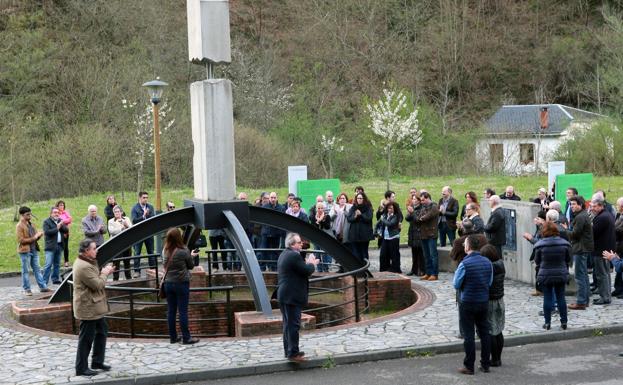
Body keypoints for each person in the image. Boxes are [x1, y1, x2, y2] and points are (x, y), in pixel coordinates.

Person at [73, 238, 115, 376]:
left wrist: (103, 271)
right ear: (86, 251)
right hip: (88, 307)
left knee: (102, 331)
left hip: (94, 306)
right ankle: (81, 368)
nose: (96, 250)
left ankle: (97, 361)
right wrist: (105, 272)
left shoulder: (87, 262)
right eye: (93, 248)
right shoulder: (83, 266)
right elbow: (97, 284)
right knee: (86, 338)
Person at [453, 234, 493, 375]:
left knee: (469, 335)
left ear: (468, 246)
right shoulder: (487, 262)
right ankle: (485, 364)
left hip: (468, 301)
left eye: (465, 244)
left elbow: (456, 283)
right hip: (483, 301)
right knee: (484, 333)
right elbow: (489, 282)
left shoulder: (464, 263)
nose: (464, 246)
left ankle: (469, 366)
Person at [277, 232, 319, 362]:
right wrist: (312, 264)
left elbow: (299, 270)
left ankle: (289, 351)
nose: (302, 244)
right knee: (293, 325)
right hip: (291, 295)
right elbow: (307, 271)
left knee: (288, 325)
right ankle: (293, 353)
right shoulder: (294, 256)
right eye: (299, 242)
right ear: (292, 244)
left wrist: (306, 264)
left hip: (285, 294)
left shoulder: (285, 254)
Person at [162, 228, 200, 345]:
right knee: (183, 311)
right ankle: (186, 338)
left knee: (171, 311)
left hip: (168, 283)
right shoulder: (183, 250)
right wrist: (191, 256)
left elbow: (165, 264)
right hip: (181, 283)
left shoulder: (165, 250)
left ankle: (173, 337)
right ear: (179, 237)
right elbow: (190, 266)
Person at [533, 222, 571, 330]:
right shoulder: (565, 244)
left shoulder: (540, 245)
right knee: (561, 298)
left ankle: (547, 323)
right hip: (560, 273)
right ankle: (564, 322)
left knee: (547, 298)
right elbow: (568, 259)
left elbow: (537, 260)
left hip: (546, 274)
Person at [480, 244, 505, 367]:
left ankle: (494, 359)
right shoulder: (500, 264)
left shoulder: (489, 267)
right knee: (498, 330)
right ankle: (498, 358)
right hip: (500, 300)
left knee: (491, 332)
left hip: (490, 301)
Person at [567, 195, 594, 310]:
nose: (572, 206)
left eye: (574, 204)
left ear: (580, 205)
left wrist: (565, 230)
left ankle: (581, 302)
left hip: (580, 249)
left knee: (579, 276)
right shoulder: (581, 215)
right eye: (571, 204)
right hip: (582, 248)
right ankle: (585, 300)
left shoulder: (580, 217)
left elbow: (575, 234)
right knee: (583, 275)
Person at [16, 206, 50, 296]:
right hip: (25, 251)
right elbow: (21, 240)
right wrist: (34, 237)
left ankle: (43, 287)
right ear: (22, 215)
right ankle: (27, 289)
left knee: (37, 269)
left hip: (34, 250)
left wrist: (39, 235)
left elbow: (35, 238)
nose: (29, 216)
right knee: (26, 271)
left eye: (30, 214)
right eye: (27, 214)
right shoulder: (19, 226)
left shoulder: (32, 224)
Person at [590, 195, 615, 305]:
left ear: (601, 206)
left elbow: (593, 233)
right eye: (592, 206)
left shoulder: (602, 217)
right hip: (605, 249)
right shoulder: (606, 215)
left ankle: (604, 297)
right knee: (605, 274)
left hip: (601, 250)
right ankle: (606, 296)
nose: (592, 208)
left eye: (594, 206)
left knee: (602, 275)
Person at [416, 192, 440, 281]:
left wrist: (421, 218)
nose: (421, 202)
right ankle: (428, 272)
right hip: (423, 235)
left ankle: (434, 273)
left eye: (423, 200)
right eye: (421, 200)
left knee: (433, 255)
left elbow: (428, 216)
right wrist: (420, 218)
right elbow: (418, 217)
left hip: (431, 234)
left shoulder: (434, 206)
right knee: (426, 255)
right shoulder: (423, 207)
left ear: (427, 198)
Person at [131, 191, 155, 276]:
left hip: (149, 233)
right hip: (138, 234)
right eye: (144, 197)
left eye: (147, 197)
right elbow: (134, 221)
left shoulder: (150, 207)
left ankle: (152, 270)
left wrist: (147, 215)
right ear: (139, 198)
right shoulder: (135, 208)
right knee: (137, 253)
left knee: (151, 252)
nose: (146, 199)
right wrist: (143, 216)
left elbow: (153, 219)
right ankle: (137, 271)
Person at [42, 206, 69, 285]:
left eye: (58, 212)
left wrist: (62, 225)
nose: (56, 214)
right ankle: (44, 282)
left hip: (59, 245)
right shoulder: (46, 222)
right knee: (48, 264)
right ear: (51, 214)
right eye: (55, 212)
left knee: (57, 264)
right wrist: (57, 227)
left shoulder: (60, 221)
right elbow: (47, 232)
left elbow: (66, 230)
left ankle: (55, 279)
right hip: (50, 247)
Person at [261, 192, 286, 271]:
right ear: (269, 198)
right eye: (271, 197)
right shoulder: (265, 207)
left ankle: (274, 267)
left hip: (276, 233)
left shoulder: (281, 208)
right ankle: (263, 268)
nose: (273, 199)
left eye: (274, 197)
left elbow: (283, 221)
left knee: (275, 251)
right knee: (264, 250)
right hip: (266, 232)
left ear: (277, 198)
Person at [346, 192, 374, 263]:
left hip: (364, 235)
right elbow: (349, 218)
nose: (359, 200)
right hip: (354, 234)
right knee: (356, 253)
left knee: (364, 252)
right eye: (358, 198)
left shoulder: (368, 207)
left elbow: (369, 218)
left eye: (361, 198)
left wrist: (361, 215)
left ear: (364, 199)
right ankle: (358, 269)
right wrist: (355, 216)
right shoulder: (353, 207)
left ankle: (365, 268)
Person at [107, 205, 132, 280]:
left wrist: (126, 225)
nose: (117, 213)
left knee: (127, 262)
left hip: (126, 244)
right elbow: (112, 231)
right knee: (116, 263)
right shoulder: (111, 221)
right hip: (116, 245)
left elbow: (131, 228)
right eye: (115, 212)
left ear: (121, 212)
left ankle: (128, 278)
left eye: (118, 211)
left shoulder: (126, 219)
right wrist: (121, 228)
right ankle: (115, 279)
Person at [378, 201, 401, 273]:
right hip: (386, 237)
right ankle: (383, 269)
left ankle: (395, 269)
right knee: (383, 254)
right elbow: (378, 223)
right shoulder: (385, 215)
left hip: (393, 237)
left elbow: (390, 224)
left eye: (391, 208)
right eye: (388, 208)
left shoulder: (396, 216)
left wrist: (383, 219)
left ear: (394, 209)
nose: (389, 210)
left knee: (394, 254)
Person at [310, 202, 333, 272]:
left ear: (324, 209)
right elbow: (313, 227)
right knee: (317, 254)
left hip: (324, 238)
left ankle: (326, 269)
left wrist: (321, 221)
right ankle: (319, 269)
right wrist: (317, 221)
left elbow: (327, 226)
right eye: (318, 208)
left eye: (321, 208)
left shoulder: (327, 216)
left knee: (324, 254)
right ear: (316, 209)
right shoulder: (313, 217)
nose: (320, 210)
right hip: (316, 238)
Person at [405, 193, 425, 276]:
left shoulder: (422, 208)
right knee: (414, 253)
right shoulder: (412, 208)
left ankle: (421, 270)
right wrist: (409, 213)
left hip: (419, 232)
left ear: (419, 201)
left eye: (415, 199)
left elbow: (418, 220)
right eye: (412, 199)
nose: (413, 201)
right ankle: (414, 269)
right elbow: (407, 218)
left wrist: (412, 212)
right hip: (412, 232)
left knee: (420, 253)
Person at [56, 200, 73, 268]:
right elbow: (57, 221)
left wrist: (62, 221)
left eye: (63, 205)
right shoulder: (56, 213)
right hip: (59, 232)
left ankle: (66, 261)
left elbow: (70, 219)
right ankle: (57, 261)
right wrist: (64, 221)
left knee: (66, 247)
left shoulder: (65, 212)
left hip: (66, 232)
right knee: (58, 247)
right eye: (60, 205)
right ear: (57, 206)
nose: (62, 206)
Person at [612, 197, 623, 299]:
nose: (617, 207)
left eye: (618, 205)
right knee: (618, 269)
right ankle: (618, 288)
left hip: (621, 245)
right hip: (618, 246)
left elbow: (619, 229)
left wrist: (614, 230)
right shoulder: (619, 216)